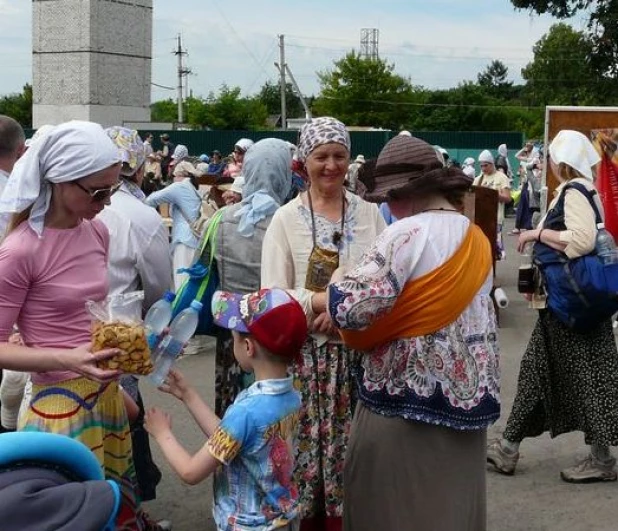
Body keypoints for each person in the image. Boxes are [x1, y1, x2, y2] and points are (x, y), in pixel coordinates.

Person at [328, 133, 499, 531]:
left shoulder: (404, 234)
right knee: (452, 503)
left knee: (395, 504)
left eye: (388, 196)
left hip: (404, 401)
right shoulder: (475, 237)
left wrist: (337, 280)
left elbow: (351, 309)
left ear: (407, 192)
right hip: (466, 403)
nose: (387, 206)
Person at [0, 120, 158, 530]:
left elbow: (90, 314)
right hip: (57, 411)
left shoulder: (97, 231)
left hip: (106, 399)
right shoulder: (19, 251)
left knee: (114, 512)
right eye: (98, 191)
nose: (107, 201)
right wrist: (68, 358)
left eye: (114, 188)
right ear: (59, 181)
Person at [261, 117, 386, 531]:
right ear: (303, 160)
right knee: (307, 455)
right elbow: (272, 295)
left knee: (357, 452)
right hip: (307, 360)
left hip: (361, 356)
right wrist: (321, 300)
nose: (331, 165)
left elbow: (387, 281)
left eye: (339, 155)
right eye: (321, 156)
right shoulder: (286, 219)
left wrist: (349, 308)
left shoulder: (370, 216)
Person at [487, 130, 618, 484]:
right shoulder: (584, 190)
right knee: (539, 374)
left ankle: (602, 459)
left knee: (581, 378)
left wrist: (536, 234)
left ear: (562, 162)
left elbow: (580, 241)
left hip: (570, 307)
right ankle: (509, 447)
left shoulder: (574, 192)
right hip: (572, 304)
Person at [145, 287, 307, 531]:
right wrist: (189, 395)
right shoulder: (293, 395)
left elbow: (190, 472)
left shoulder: (247, 411)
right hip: (281, 520)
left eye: (234, 338)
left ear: (248, 347)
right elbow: (233, 440)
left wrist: (162, 434)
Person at [100, 126, 173, 503]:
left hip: (68, 341)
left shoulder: (58, 210)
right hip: (119, 334)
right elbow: (160, 289)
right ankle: (128, 506)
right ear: (139, 167)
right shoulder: (138, 217)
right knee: (123, 425)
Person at [211, 138, 295, 417]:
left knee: (233, 406)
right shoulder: (290, 221)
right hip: (274, 333)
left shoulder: (221, 218)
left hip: (231, 329)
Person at [146, 160, 201, 291]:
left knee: (181, 284)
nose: (173, 179)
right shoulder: (193, 189)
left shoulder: (180, 187)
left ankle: (179, 310)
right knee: (189, 284)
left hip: (183, 241)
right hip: (194, 240)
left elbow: (151, 200)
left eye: (174, 176)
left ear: (181, 175)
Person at [474, 149, 511, 259]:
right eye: (481, 166)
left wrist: (493, 195)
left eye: (486, 165)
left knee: (494, 250)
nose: (483, 168)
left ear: (492, 164)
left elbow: (508, 198)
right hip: (480, 218)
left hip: (496, 218)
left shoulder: (502, 177)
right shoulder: (478, 179)